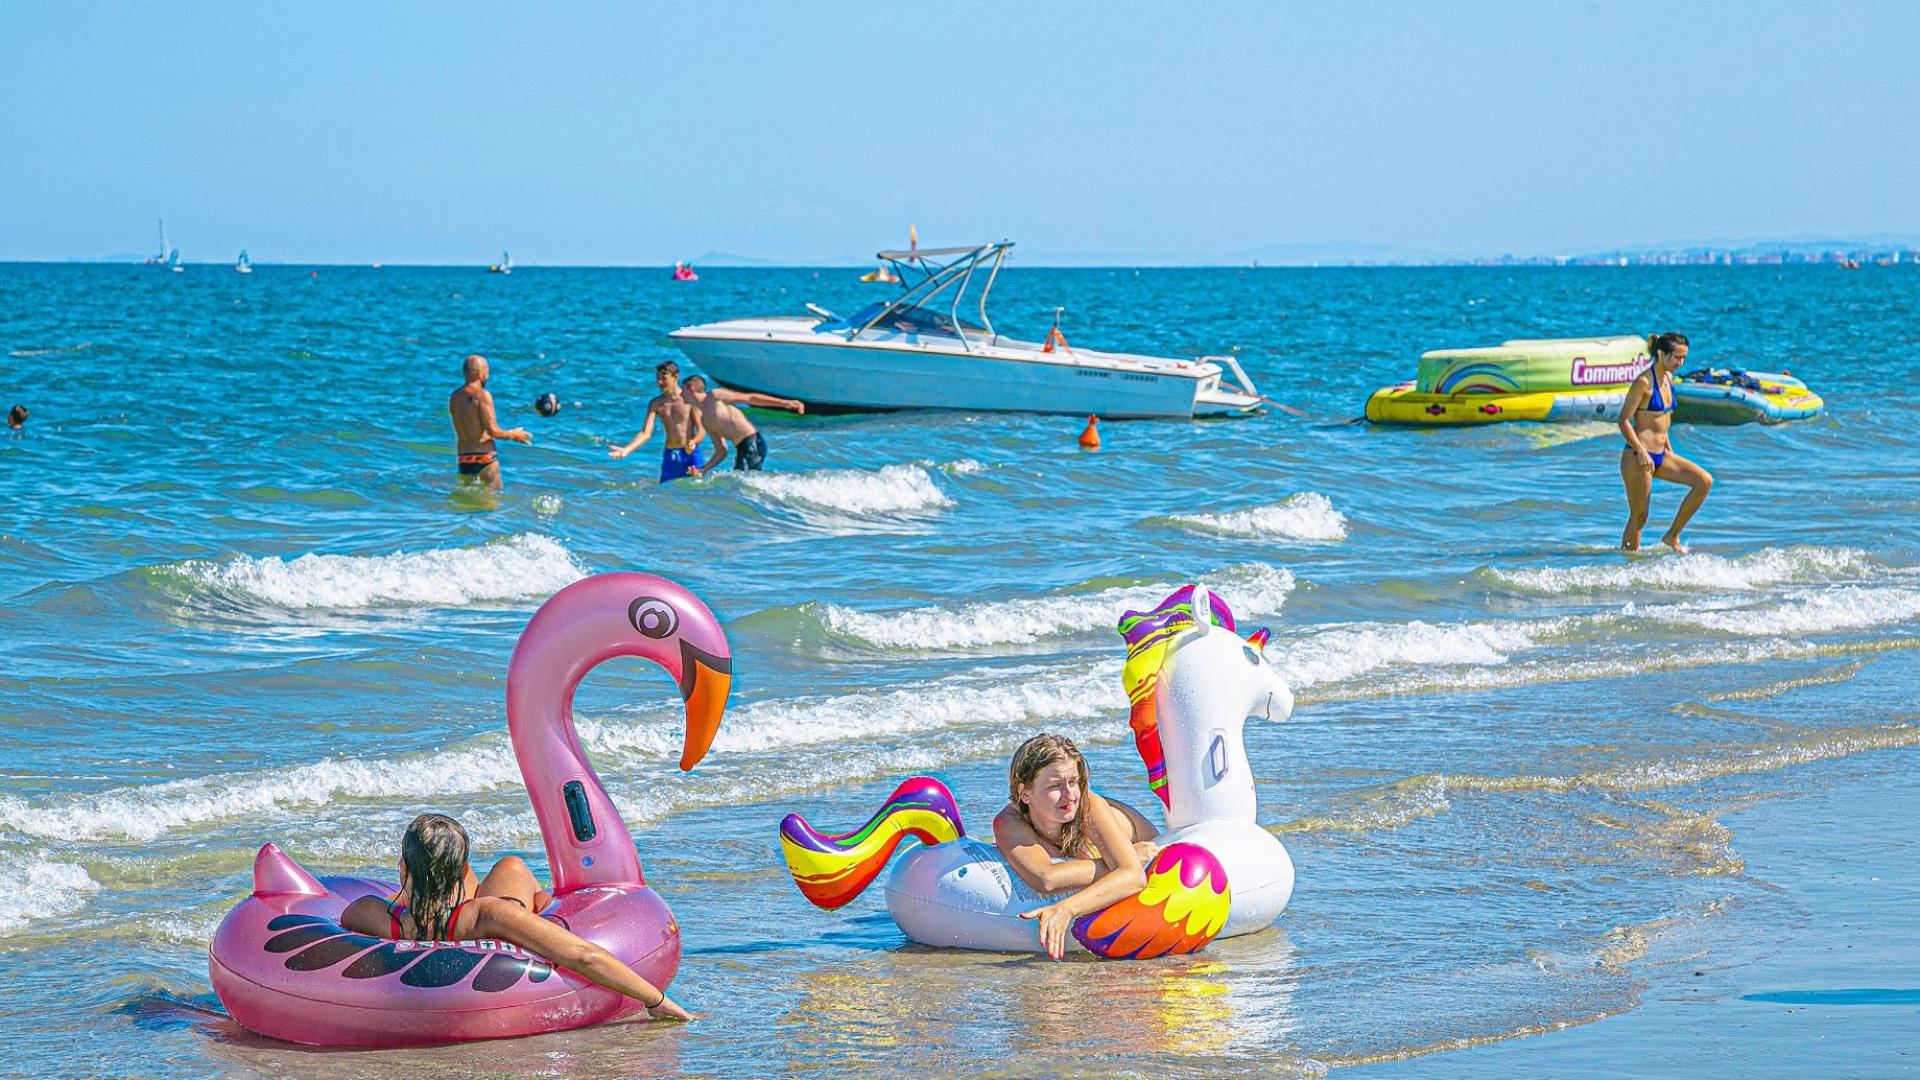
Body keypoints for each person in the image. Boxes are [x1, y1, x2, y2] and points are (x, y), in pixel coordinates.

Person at [341, 814, 694, 1021]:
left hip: (423, 915)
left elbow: (369, 914)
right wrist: (658, 1001)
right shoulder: (488, 914)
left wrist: (415, 890)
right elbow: (582, 955)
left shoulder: (368, 913)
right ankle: (542, 903)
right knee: (513, 866)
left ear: (402, 868)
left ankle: (433, 879)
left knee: (500, 873)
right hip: (480, 917)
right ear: (464, 871)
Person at [992, 734, 1161, 960]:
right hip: (1126, 856)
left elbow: (1134, 877)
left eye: (1073, 782)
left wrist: (1066, 908)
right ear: (1025, 793)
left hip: (1156, 848)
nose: (1070, 795)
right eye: (1055, 786)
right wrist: (1123, 862)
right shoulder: (1009, 822)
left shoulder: (1088, 807)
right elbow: (1046, 878)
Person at [1618, 332, 1713, 553]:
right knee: (1640, 516)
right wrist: (1640, 451)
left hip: (1661, 455)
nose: (1680, 363)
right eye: (1676, 357)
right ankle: (1628, 563)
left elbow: (1662, 420)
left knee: (1704, 482)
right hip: (1637, 457)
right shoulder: (1643, 382)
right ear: (1661, 354)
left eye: (1683, 358)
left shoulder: (1668, 379)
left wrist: (1668, 449)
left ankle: (1672, 535)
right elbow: (1623, 420)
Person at [680, 375, 804, 472]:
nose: (680, 394)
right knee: (739, 485)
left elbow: (750, 398)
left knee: (743, 484)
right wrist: (703, 469)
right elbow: (721, 451)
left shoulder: (715, 396)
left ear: (690, 389)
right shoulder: (705, 420)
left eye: (682, 390)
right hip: (742, 448)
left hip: (753, 443)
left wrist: (785, 403)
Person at [609, 361, 706, 482]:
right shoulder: (656, 403)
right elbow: (645, 433)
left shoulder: (689, 400)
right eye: (657, 378)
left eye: (664, 378)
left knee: (694, 492)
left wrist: (693, 442)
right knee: (666, 493)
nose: (659, 382)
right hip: (670, 456)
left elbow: (702, 430)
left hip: (691, 455)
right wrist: (626, 450)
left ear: (676, 377)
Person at [448, 355, 531, 488]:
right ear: (480, 374)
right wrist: (514, 435)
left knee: (469, 503)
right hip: (484, 460)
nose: (488, 376)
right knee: (493, 503)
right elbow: (493, 431)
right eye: (487, 372)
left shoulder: (454, 397)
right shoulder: (482, 395)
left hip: (464, 460)